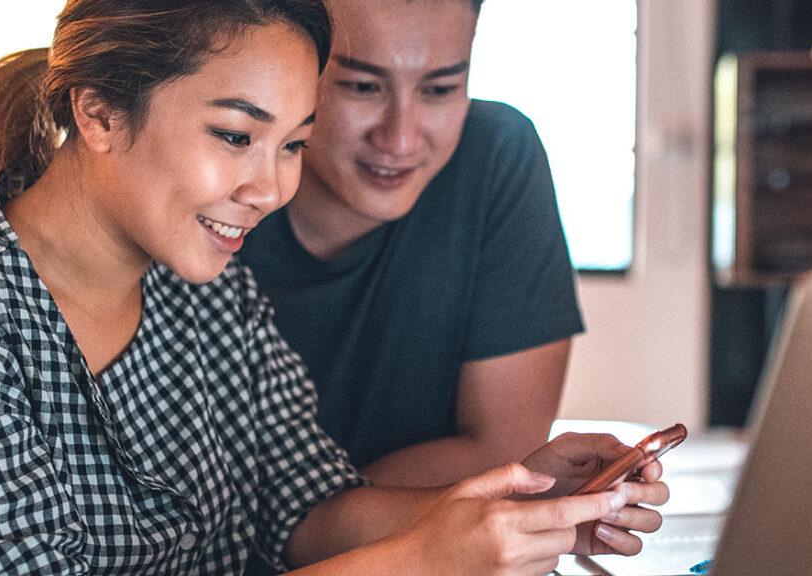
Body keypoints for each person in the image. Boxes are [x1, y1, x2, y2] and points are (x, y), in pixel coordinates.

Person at [0, 1, 670, 575]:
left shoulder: (208, 288)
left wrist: (518, 507)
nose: (271, 187)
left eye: (293, 144)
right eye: (235, 135)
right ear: (99, 111)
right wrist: (414, 563)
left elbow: (311, 507)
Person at [238, 0, 583, 488]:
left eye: (440, 89)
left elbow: (507, 453)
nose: (400, 140)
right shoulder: (218, 198)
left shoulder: (496, 159)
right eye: (362, 86)